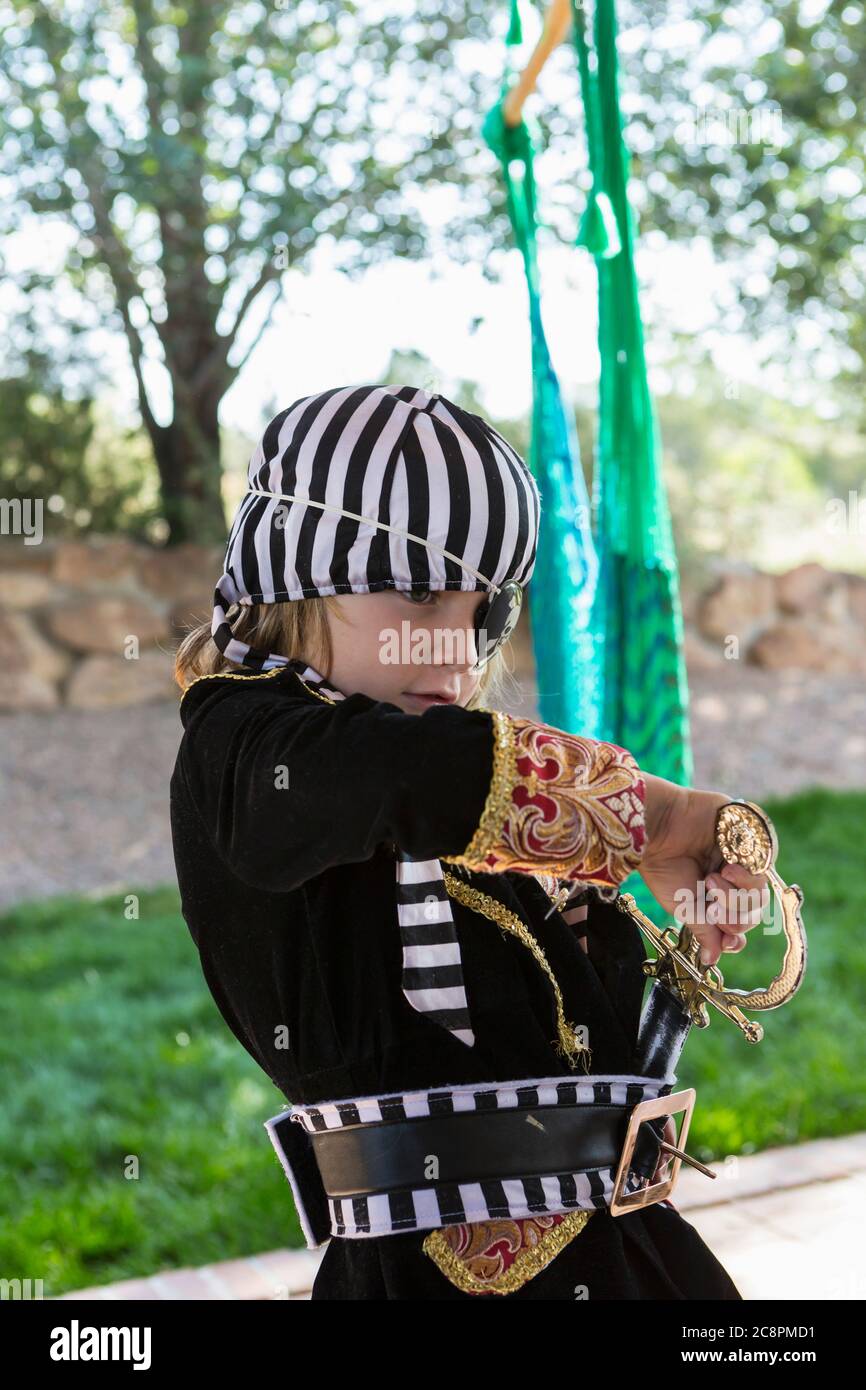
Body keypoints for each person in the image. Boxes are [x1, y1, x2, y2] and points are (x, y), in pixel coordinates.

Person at [170, 382, 761, 1299]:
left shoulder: (442, 782)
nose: (452, 653)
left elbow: (569, 1047)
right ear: (299, 575)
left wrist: (613, 926)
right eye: (416, 592)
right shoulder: (246, 747)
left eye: (482, 612)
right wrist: (657, 817)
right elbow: (395, 776)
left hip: (625, 1260)